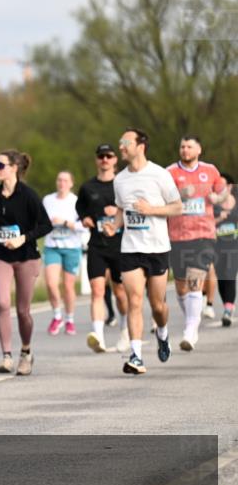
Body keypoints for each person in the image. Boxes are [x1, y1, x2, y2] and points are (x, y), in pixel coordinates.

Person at [106, 128, 182, 375]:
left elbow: (177, 207)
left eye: (126, 142)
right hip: (130, 248)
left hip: (157, 247)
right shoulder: (120, 179)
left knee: (157, 305)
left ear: (141, 146)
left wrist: (151, 210)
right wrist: (114, 226)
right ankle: (136, 356)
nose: (121, 147)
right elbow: (121, 210)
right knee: (134, 301)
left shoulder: (159, 175)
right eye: (120, 142)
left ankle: (162, 332)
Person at [0, 150, 51, 375]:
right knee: (2, 303)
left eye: (0, 165)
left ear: (14, 168)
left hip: (26, 257)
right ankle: (6, 356)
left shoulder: (29, 196)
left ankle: (26, 351)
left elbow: (45, 225)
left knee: (23, 311)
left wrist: (23, 238)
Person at [166, 135, 227, 351]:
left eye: (189, 146)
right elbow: (162, 199)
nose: (185, 150)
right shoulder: (170, 172)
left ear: (199, 149)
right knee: (181, 287)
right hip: (177, 235)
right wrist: (181, 194)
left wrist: (217, 198)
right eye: (182, 146)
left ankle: (190, 331)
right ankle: (191, 318)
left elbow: (223, 193)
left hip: (204, 234)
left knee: (195, 280)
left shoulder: (210, 170)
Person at [77, 143, 129, 353]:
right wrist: (85, 219)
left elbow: (135, 211)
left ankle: (126, 329)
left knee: (120, 291)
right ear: (97, 160)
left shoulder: (123, 184)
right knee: (97, 290)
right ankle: (98, 335)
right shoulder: (88, 187)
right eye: (101, 156)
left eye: (108, 156)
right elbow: (80, 209)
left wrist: (117, 211)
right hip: (97, 245)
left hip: (121, 246)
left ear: (115, 160)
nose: (105, 160)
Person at [42, 171, 84, 336]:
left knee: (68, 286)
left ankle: (70, 319)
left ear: (71, 183)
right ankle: (57, 316)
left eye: (65, 180)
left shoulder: (76, 201)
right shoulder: (47, 200)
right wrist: (48, 223)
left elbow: (84, 226)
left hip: (72, 247)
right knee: (51, 284)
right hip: (52, 245)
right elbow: (40, 220)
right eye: (59, 180)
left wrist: (65, 223)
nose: (62, 183)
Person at [213, 173, 237, 327]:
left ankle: (228, 309)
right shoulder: (212, 206)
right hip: (217, 247)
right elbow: (204, 224)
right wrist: (219, 219)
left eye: (221, 186)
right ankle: (227, 305)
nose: (219, 189)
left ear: (229, 187)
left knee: (229, 273)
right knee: (222, 278)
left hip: (235, 247)